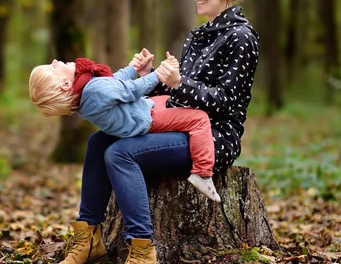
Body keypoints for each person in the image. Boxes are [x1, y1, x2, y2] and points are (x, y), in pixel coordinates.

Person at [45, 0, 259, 264]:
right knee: (99, 141)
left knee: (121, 152)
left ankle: (143, 251)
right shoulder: (200, 34)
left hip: (213, 136)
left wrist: (178, 84)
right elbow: (176, 82)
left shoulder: (241, 37)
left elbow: (226, 102)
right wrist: (150, 76)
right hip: (178, 119)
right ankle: (89, 238)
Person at [29, 52, 220, 202]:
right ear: (65, 84)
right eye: (52, 68)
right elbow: (131, 90)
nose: (55, 61)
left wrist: (133, 67)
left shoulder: (87, 90)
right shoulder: (95, 90)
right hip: (146, 119)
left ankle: (195, 143)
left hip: (144, 111)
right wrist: (158, 75)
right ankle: (202, 173)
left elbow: (115, 82)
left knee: (170, 100)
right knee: (199, 118)